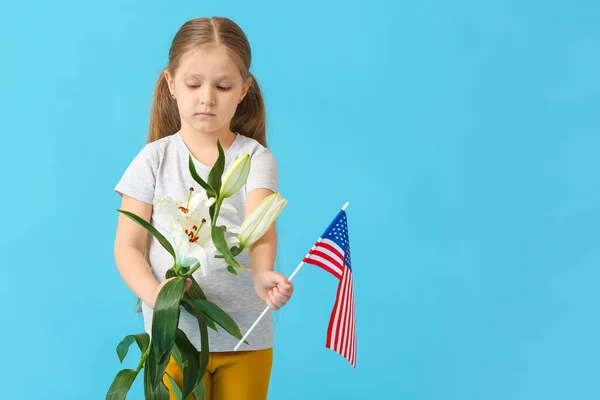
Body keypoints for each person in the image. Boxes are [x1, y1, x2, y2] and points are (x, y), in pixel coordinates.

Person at [113, 16, 294, 400]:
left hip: (245, 333)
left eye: (223, 86)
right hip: (175, 340)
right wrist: (156, 296)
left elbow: (259, 227)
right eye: (194, 84)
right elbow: (128, 246)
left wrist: (263, 274)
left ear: (244, 89)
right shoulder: (152, 160)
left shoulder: (255, 158)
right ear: (171, 84)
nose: (207, 97)